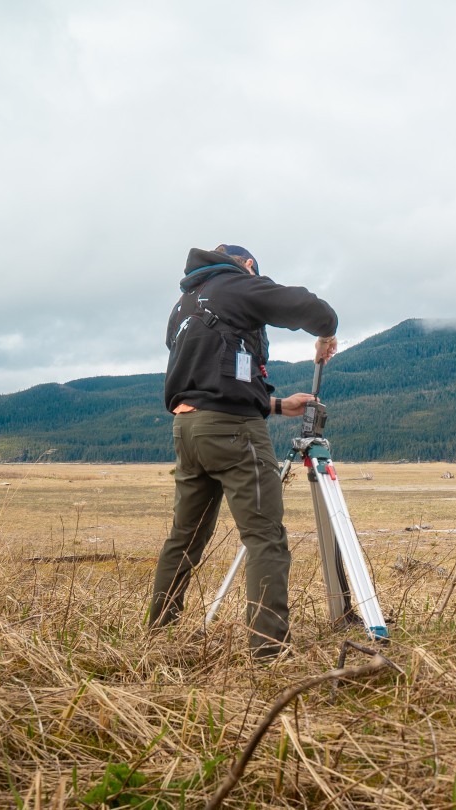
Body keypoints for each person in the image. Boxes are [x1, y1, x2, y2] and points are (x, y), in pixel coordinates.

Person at [149, 244, 340, 659]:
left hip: (187, 430)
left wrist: (274, 405)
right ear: (248, 266)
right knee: (265, 537)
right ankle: (268, 651)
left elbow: (209, 379)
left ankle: (158, 636)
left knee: (184, 538)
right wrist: (327, 330)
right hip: (233, 432)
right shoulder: (236, 284)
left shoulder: (183, 307)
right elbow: (308, 307)